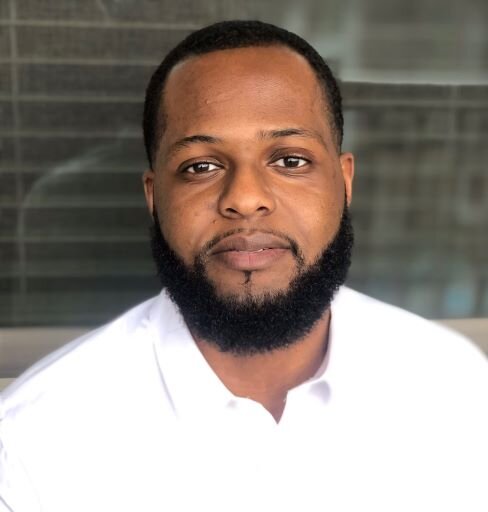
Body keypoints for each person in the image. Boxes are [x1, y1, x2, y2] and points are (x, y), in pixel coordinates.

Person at [0, 20, 486, 512]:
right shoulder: (32, 445)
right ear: (154, 197)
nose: (246, 198)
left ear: (344, 183)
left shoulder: (457, 388)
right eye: (201, 166)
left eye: (290, 160)